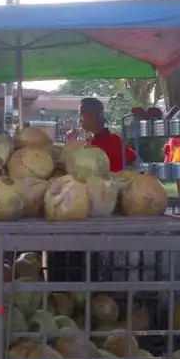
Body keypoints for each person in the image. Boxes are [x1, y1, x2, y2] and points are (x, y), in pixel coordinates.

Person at [48, 97, 138, 284]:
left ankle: (77, 289)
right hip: (86, 207)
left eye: (81, 115)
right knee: (83, 255)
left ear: (89, 115)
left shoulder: (108, 142)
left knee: (83, 254)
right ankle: (80, 288)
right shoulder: (93, 143)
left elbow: (134, 165)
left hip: (100, 209)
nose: (80, 120)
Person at [78, 97, 137, 171]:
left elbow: (133, 163)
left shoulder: (114, 142)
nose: (80, 120)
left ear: (91, 115)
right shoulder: (89, 143)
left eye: (81, 115)